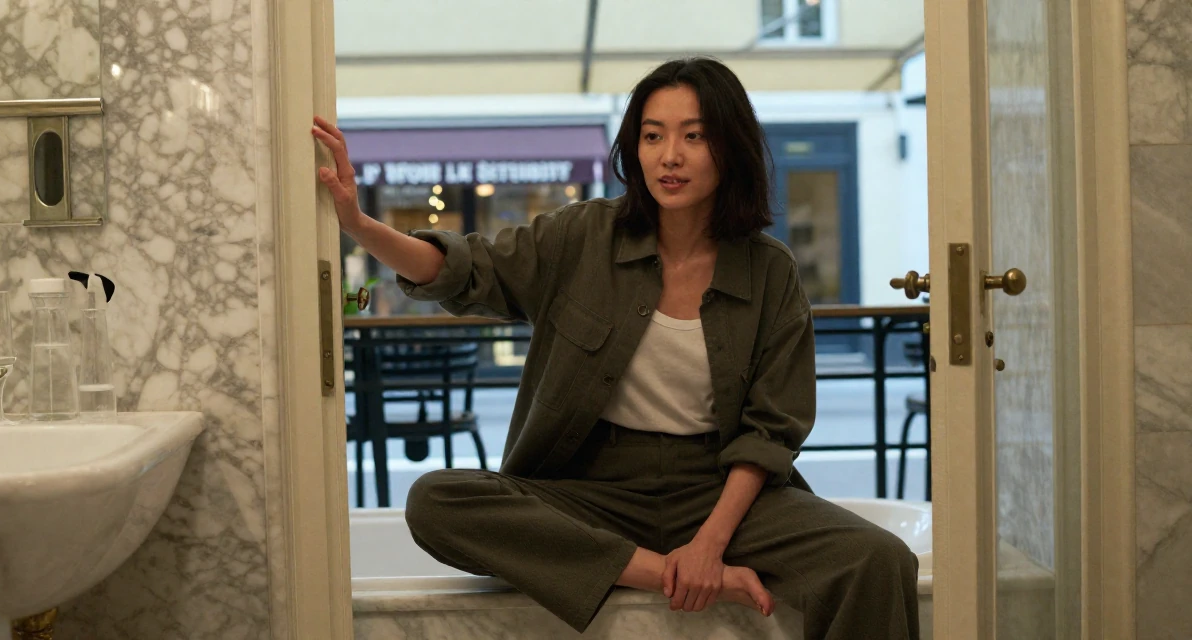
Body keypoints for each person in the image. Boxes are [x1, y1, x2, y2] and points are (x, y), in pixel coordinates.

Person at [313, 56, 919, 638]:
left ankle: (679, 559)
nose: (669, 156)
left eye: (694, 136)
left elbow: (770, 433)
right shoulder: (582, 235)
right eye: (652, 137)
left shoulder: (770, 271)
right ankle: (655, 573)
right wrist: (360, 226)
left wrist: (708, 544)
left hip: (717, 489)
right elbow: (470, 270)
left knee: (877, 559)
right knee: (435, 500)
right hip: (590, 490)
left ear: (729, 148)